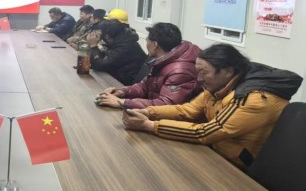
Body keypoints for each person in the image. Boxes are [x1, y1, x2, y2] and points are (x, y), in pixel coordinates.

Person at [122, 44, 302, 170]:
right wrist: (146, 112)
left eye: (203, 72)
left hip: (238, 170)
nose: (199, 78)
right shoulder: (221, 86)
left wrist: (149, 125)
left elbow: (205, 132)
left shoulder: (252, 98)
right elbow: (187, 110)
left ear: (227, 72)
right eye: (197, 71)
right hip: (215, 154)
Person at [97, 23, 201, 109]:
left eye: (147, 41)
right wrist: (122, 92)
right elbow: (145, 86)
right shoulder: (163, 60)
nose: (146, 44)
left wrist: (123, 103)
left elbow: (167, 105)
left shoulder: (180, 70)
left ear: (154, 45)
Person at [88, 19, 146, 85]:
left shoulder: (125, 46)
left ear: (107, 36)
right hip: (118, 75)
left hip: (125, 82)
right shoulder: (121, 38)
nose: (99, 37)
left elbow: (100, 65)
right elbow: (105, 57)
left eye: (100, 34)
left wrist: (93, 46)